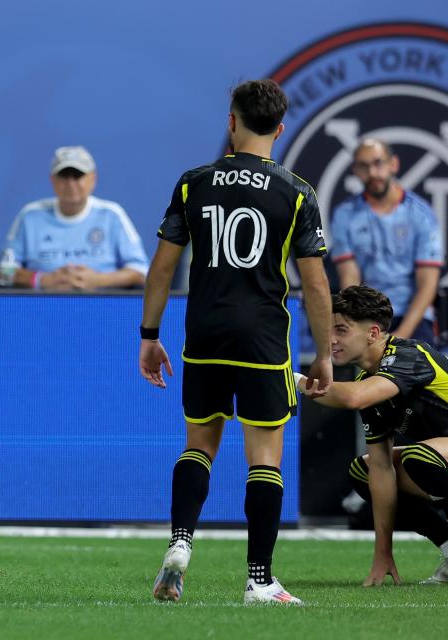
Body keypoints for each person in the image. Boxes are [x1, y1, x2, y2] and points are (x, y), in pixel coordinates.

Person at [140, 79, 333, 605]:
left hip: (203, 332)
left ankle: (180, 543)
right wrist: (324, 356)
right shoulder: (297, 192)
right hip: (263, 337)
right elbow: (315, 282)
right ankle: (259, 580)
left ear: (231, 122)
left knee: (198, 444)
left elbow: (162, 269)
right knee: (264, 458)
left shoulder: (193, 182)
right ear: (280, 128)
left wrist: (149, 335)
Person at [298, 285, 448, 588]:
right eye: (328, 329)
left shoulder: (408, 356)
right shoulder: (368, 380)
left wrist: (294, 379)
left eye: (341, 329)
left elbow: (353, 398)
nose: (331, 339)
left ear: (373, 333)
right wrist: (383, 553)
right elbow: (380, 470)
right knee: (363, 471)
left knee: (419, 455)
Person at [330, 139, 443, 340]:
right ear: (355, 170)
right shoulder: (344, 215)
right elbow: (350, 278)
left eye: (378, 163)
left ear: (394, 164)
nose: (372, 173)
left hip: (414, 317)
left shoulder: (422, 215)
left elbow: (427, 283)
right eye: (363, 166)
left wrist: (400, 337)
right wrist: (360, 323)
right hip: (368, 315)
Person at [1, 146, 148, 290]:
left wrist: (99, 281)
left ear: (93, 179)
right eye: (64, 176)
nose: (71, 184)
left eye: (78, 176)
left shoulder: (112, 215)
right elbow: (3, 273)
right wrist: (42, 280)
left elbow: (142, 272)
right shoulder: (30, 216)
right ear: (53, 180)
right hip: (43, 307)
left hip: (103, 309)